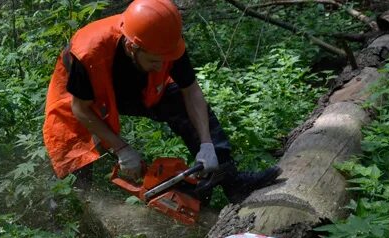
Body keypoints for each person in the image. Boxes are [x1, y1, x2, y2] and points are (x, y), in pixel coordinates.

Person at [42, 0, 281, 203]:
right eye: (156, 61)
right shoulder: (88, 54)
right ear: (132, 46)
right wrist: (122, 149)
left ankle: (231, 181)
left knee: (178, 102)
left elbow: (191, 90)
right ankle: (73, 215)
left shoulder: (165, 41)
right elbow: (81, 109)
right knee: (74, 157)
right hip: (80, 95)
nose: (163, 66)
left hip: (135, 85)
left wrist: (207, 144)